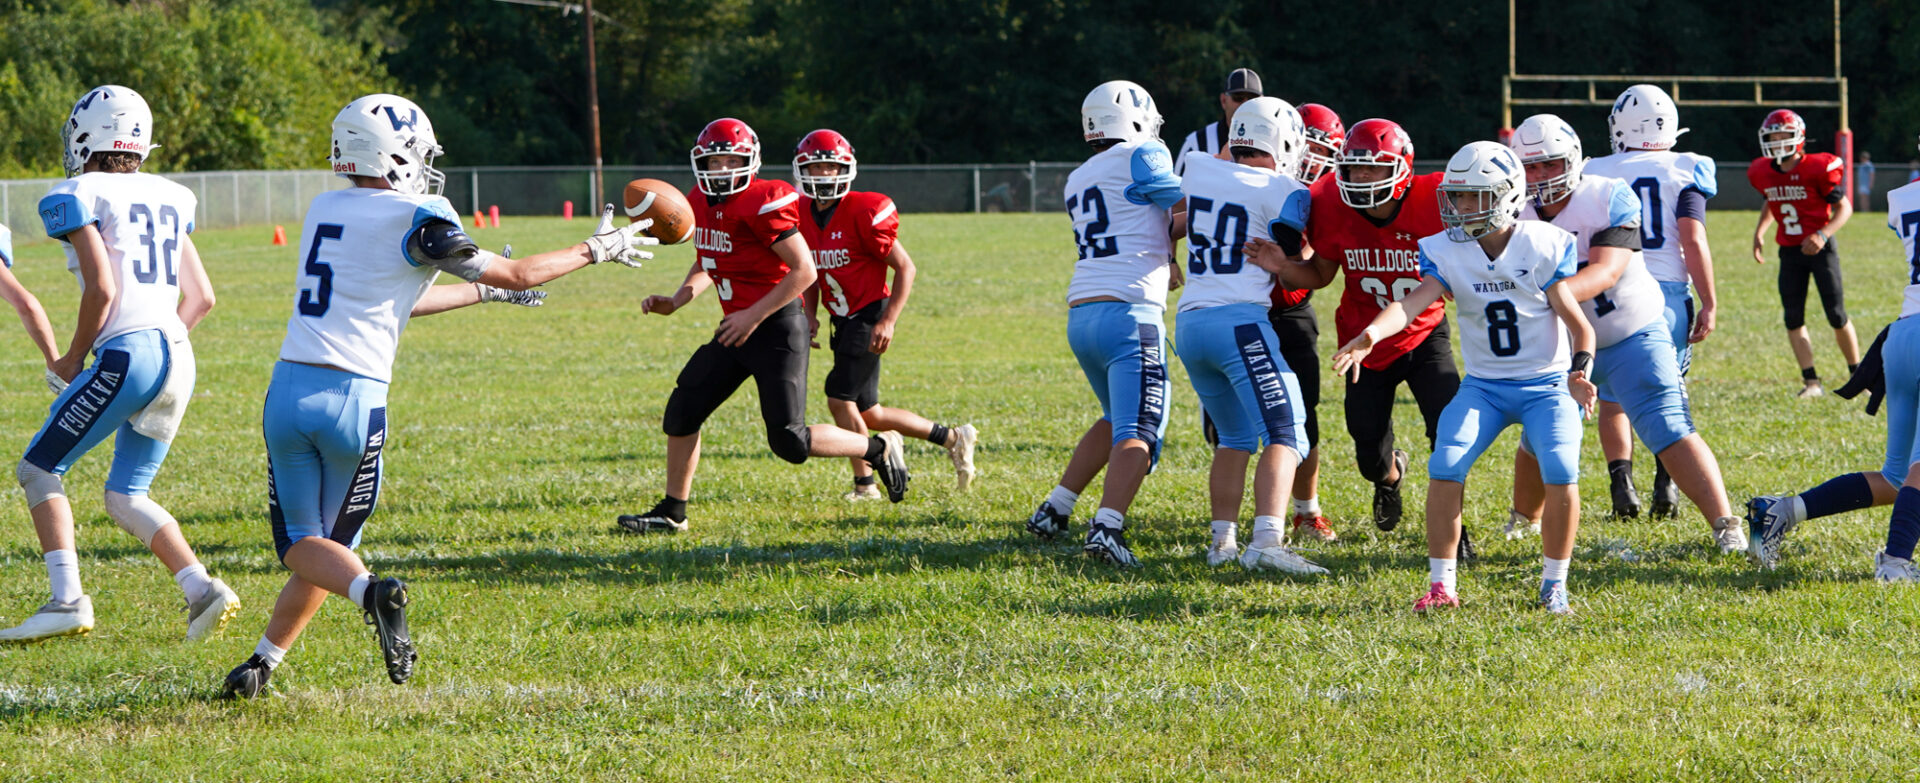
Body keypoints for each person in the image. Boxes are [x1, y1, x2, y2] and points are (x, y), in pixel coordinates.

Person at [221, 94, 653, 697]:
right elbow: (520, 272)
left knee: (305, 546)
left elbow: (395, 303)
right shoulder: (419, 213)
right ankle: (374, 594)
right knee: (331, 548)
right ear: (394, 154)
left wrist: (483, 294)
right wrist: (596, 248)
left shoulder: (324, 207)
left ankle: (261, 664)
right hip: (354, 399)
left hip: (289, 390)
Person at [1, 86, 240, 644]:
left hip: (130, 352)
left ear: (87, 137)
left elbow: (102, 289)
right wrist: (161, 349)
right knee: (127, 494)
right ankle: (201, 589)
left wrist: (73, 356)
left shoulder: (77, 192)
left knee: (39, 469)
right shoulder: (172, 194)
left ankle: (66, 600)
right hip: (178, 354)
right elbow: (202, 297)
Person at [1334, 141, 1596, 613]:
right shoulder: (1447, 250)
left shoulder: (1542, 244)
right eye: (1457, 195)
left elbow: (1581, 327)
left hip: (1545, 384)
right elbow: (1411, 303)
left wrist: (1579, 373)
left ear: (1508, 195)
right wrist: (1372, 334)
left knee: (1560, 468)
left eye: (1476, 195)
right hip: (1485, 387)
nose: (1463, 206)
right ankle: (1442, 586)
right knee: (1446, 462)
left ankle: (1554, 584)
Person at [619, 118, 912, 535]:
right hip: (737, 327)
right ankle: (672, 513)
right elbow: (709, 258)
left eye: (730, 160)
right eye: (714, 161)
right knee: (684, 410)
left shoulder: (763, 199)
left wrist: (752, 315)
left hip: (777, 328)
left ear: (751, 161)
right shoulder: (698, 200)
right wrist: (678, 299)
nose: (722, 169)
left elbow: (804, 270)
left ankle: (878, 447)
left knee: (790, 440)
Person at [1504, 114, 1745, 553]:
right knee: (1541, 432)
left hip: (1631, 331)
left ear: (1572, 160)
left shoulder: (1607, 194)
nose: (1539, 176)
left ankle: (1726, 525)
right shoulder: (1511, 210)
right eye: (1530, 167)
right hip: (1562, 342)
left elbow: (1605, 271)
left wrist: (1539, 296)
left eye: (1550, 164)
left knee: (1667, 424)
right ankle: (1523, 520)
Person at [1255, 118, 1465, 545]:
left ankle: (1454, 533)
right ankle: (1391, 476)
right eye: (1354, 167)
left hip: (1425, 331)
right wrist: (1285, 268)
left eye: (1374, 168)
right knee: (1369, 455)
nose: (1362, 176)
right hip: (1361, 342)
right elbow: (1320, 275)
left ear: (1403, 168)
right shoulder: (1329, 201)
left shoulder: (1435, 199)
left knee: (1449, 436)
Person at [1025, 80, 1182, 567]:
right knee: (1140, 428)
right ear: (1135, 119)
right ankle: (1107, 528)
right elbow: (1186, 210)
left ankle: (1056, 507)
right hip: (1130, 312)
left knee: (1116, 416)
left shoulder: (1078, 176)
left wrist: (1166, 251)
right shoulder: (1144, 153)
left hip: (1084, 312)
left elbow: (1138, 222)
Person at [1749, 138, 1920, 576]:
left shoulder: (1904, 198)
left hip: (1902, 335)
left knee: (1896, 478)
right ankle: (1896, 561)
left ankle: (1782, 511)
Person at [1175, 96, 1326, 575]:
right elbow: (1294, 251)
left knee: (1234, 437)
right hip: (1238, 321)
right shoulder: (1285, 189)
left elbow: (1178, 213)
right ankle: (1267, 542)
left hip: (1190, 323)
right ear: (1285, 143)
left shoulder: (1198, 166)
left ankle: (1222, 544)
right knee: (1288, 432)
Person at [792, 128, 978, 499]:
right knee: (870, 412)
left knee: (839, 399)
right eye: (816, 167)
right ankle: (954, 438)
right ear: (802, 170)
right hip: (842, 318)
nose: (824, 174)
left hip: (868, 314)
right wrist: (809, 314)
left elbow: (905, 267)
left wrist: (888, 320)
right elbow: (809, 273)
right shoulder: (800, 214)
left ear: (846, 168)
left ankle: (866, 485)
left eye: (831, 167)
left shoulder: (862, 211)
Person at [1583, 84, 1719, 518]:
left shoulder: (1595, 169)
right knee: (1668, 394)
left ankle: (1621, 483)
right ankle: (1666, 485)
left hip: (1613, 288)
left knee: (1612, 397)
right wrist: (1709, 300)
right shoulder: (1686, 167)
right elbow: (1693, 239)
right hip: (1667, 293)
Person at [1747, 109, 1859, 399]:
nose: (1777, 141)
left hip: (1821, 250)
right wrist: (1760, 231)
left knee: (1836, 314)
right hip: (1789, 250)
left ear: (1798, 137)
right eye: (1772, 136)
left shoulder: (1817, 167)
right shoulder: (1762, 171)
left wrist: (1823, 234)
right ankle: (1811, 382)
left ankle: (1857, 375)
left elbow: (1844, 207)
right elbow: (1771, 198)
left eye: (1782, 135)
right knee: (1793, 317)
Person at [1173, 68, 1262, 177]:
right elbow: (1179, 186)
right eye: (1238, 98)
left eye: (1252, 99)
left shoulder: (1276, 143)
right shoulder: (1196, 143)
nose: (1245, 104)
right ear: (1224, 101)